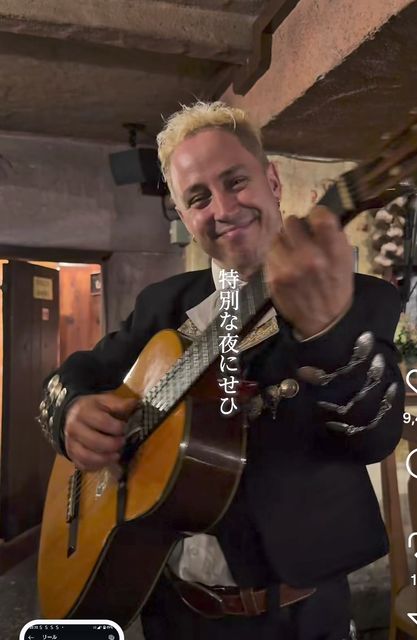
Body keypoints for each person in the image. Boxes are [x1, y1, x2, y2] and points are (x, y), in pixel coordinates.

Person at [39, 101, 404, 639]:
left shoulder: (358, 299)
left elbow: (375, 435)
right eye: (198, 198)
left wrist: (325, 334)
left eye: (236, 182)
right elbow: (74, 374)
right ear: (183, 216)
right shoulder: (163, 304)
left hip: (298, 618)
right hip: (169, 612)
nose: (223, 208)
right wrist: (71, 413)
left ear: (272, 181)